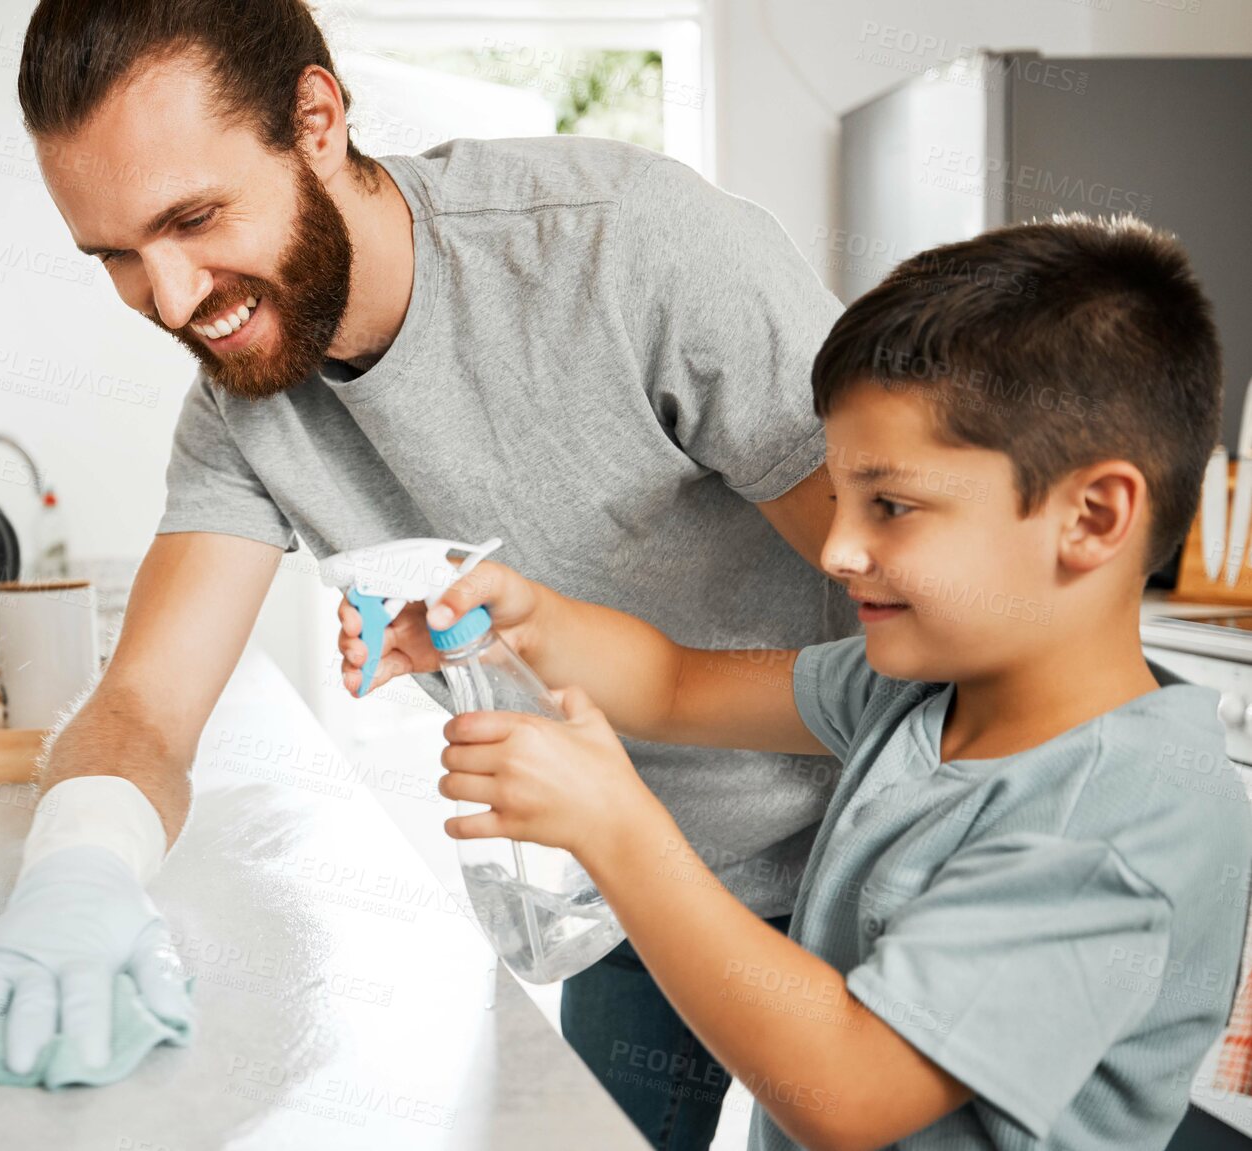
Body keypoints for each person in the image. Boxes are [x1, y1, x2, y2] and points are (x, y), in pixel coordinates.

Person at [0, 2, 851, 1144]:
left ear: (317, 120)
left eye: (194, 218)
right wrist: (76, 869)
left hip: (866, 855)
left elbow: (926, 611)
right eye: (115, 257)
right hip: (629, 885)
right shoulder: (242, 412)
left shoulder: (633, 252)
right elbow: (144, 704)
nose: (174, 297)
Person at [341, 214, 1252, 1149]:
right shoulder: (924, 692)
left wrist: (616, 826)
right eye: (848, 497)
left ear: (1093, 517)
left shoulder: (1118, 821)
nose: (839, 546)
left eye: (891, 505)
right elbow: (676, 685)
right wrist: (520, 622)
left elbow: (847, 1089)